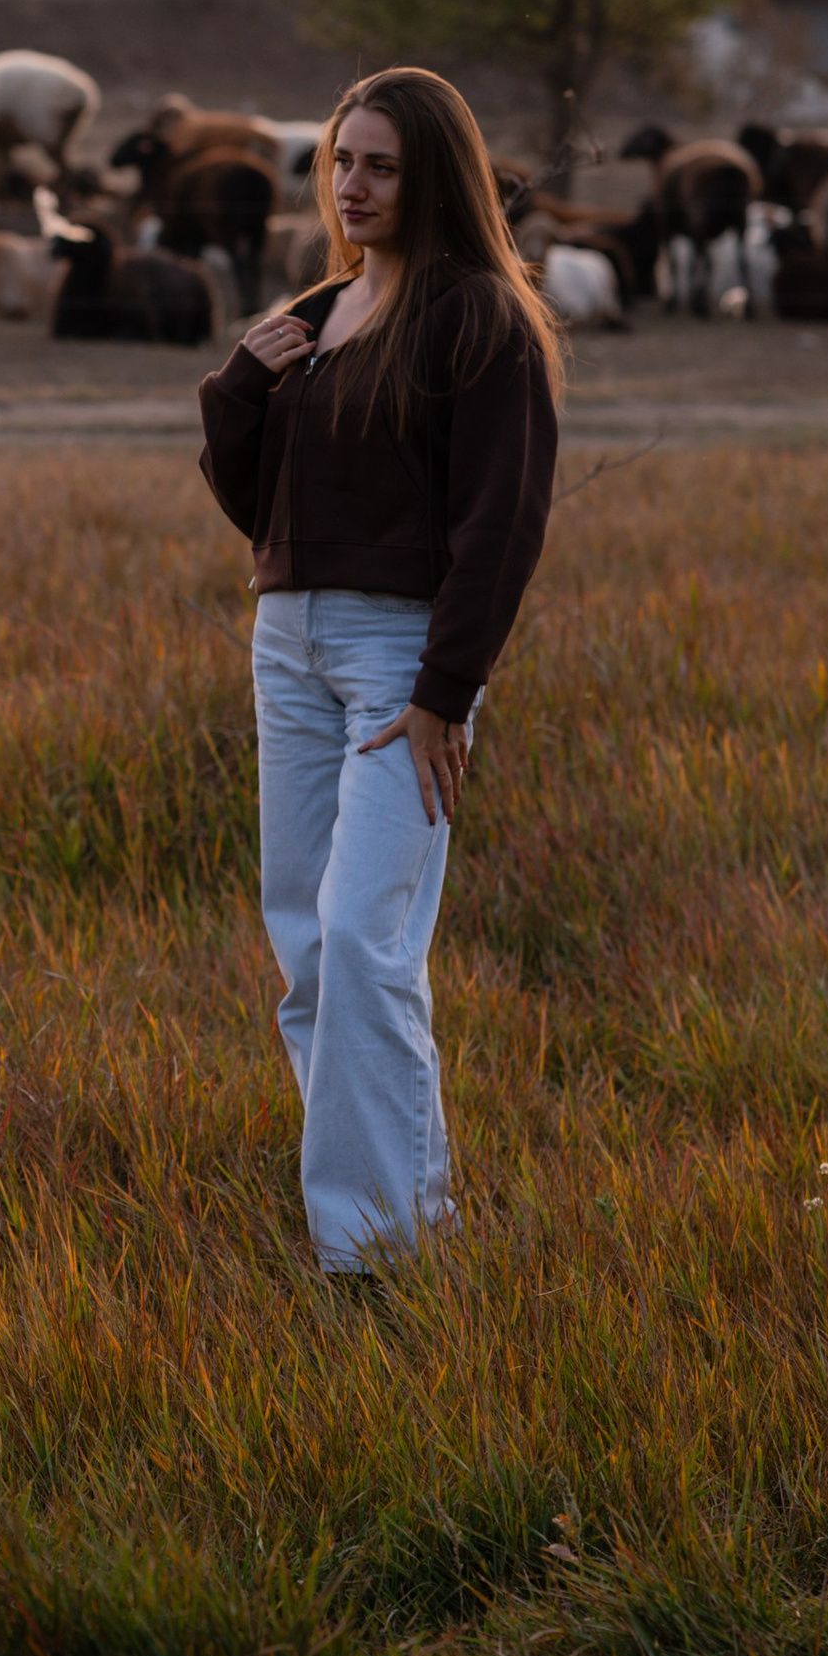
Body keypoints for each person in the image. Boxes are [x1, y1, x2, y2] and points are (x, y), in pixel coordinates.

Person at [197, 68, 560, 1273]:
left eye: (382, 166)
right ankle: (377, 1218)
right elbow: (268, 509)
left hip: (397, 658)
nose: (351, 186)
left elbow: (500, 522)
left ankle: (383, 1251)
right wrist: (242, 388)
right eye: (341, 161)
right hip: (287, 642)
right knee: (305, 946)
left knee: (362, 939)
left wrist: (442, 692)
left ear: (434, 176)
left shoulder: (478, 318)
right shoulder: (321, 309)